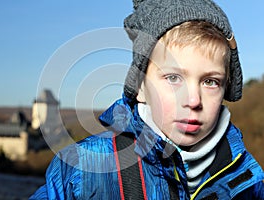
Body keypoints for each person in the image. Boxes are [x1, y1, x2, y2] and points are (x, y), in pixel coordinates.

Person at [30, 0, 264, 199]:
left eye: (210, 82)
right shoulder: (83, 169)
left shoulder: (248, 179)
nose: (193, 100)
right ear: (140, 87)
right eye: (173, 78)